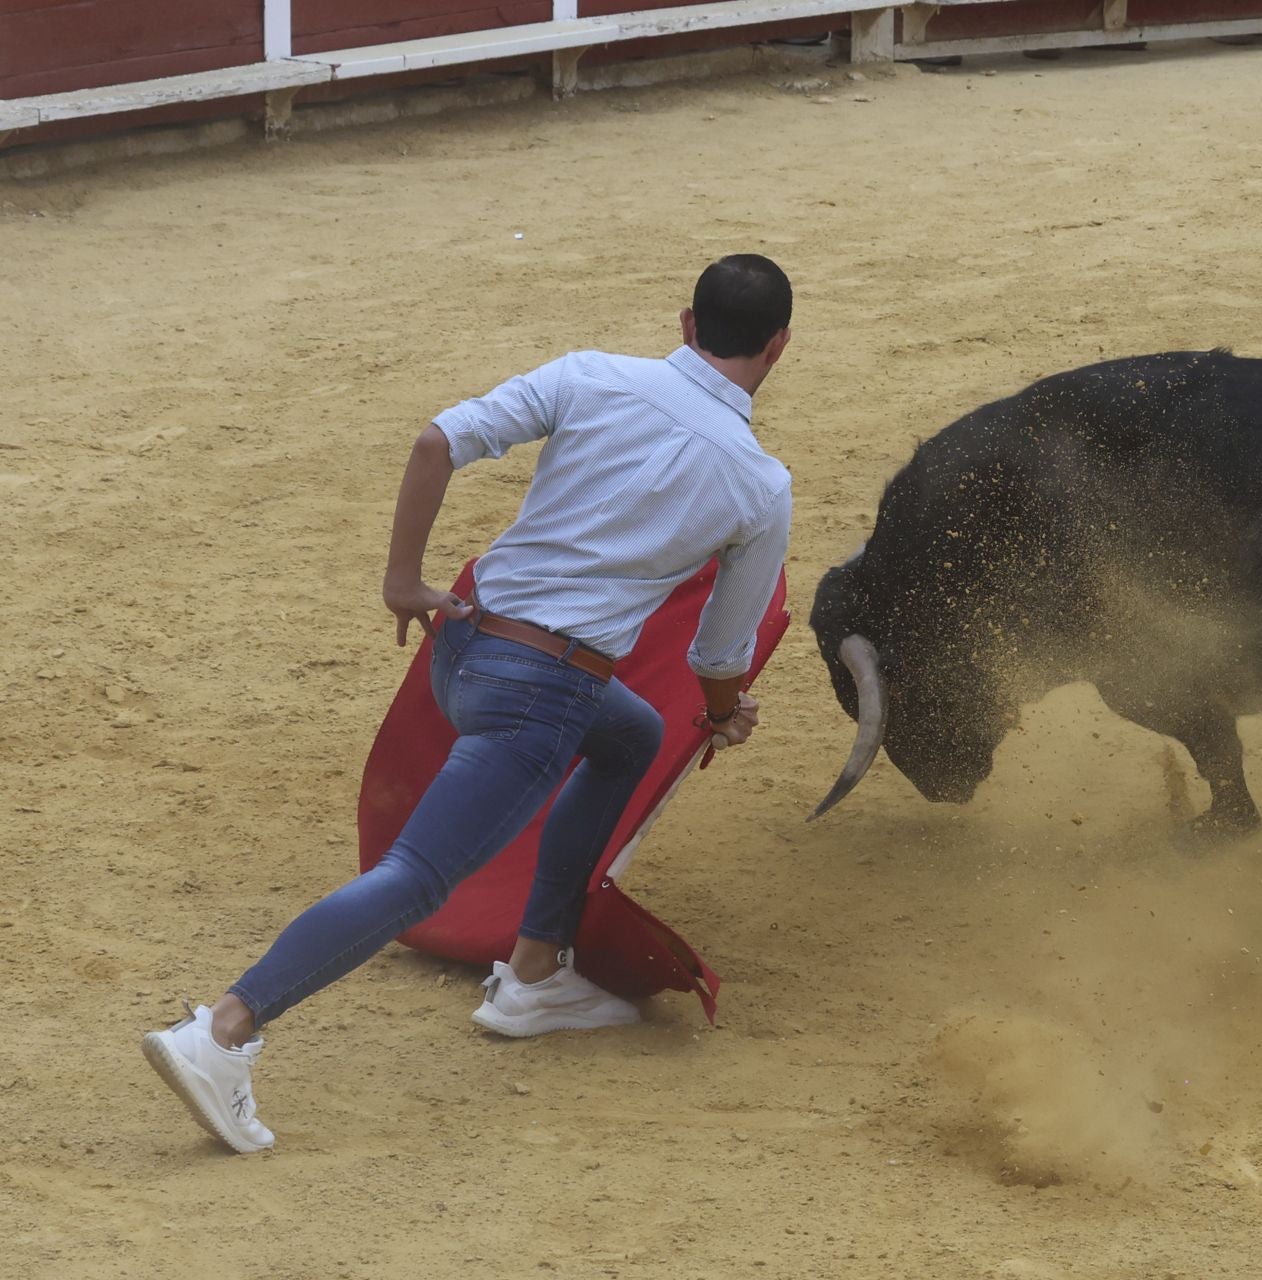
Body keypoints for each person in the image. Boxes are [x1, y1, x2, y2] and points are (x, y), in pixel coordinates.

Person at [142, 255, 796, 1154]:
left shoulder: (590, 373)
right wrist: (725, 709)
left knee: (630, 734)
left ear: (686, 323)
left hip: (464, 644)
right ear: (778, 347)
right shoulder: (761, 486)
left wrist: (403, 580)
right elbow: (719, 650)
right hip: (541, 694)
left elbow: (435, 442)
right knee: (416, 878)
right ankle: (222, 1031)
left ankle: (535, 968)